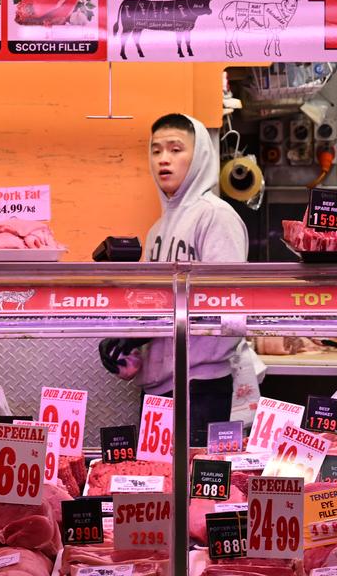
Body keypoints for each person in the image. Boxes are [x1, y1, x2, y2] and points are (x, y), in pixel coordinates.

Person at [100, 113, 249, 446]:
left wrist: (150, 326)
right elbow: (155, 305)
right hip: (158, 388)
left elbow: (223, 305)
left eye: (175, 149)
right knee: (159, 487)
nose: (163, 159)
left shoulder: (215, 216)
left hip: (199, 386)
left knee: (192, 492)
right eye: (155, 151)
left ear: (198, 157)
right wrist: (130, 338)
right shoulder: (156, 231)